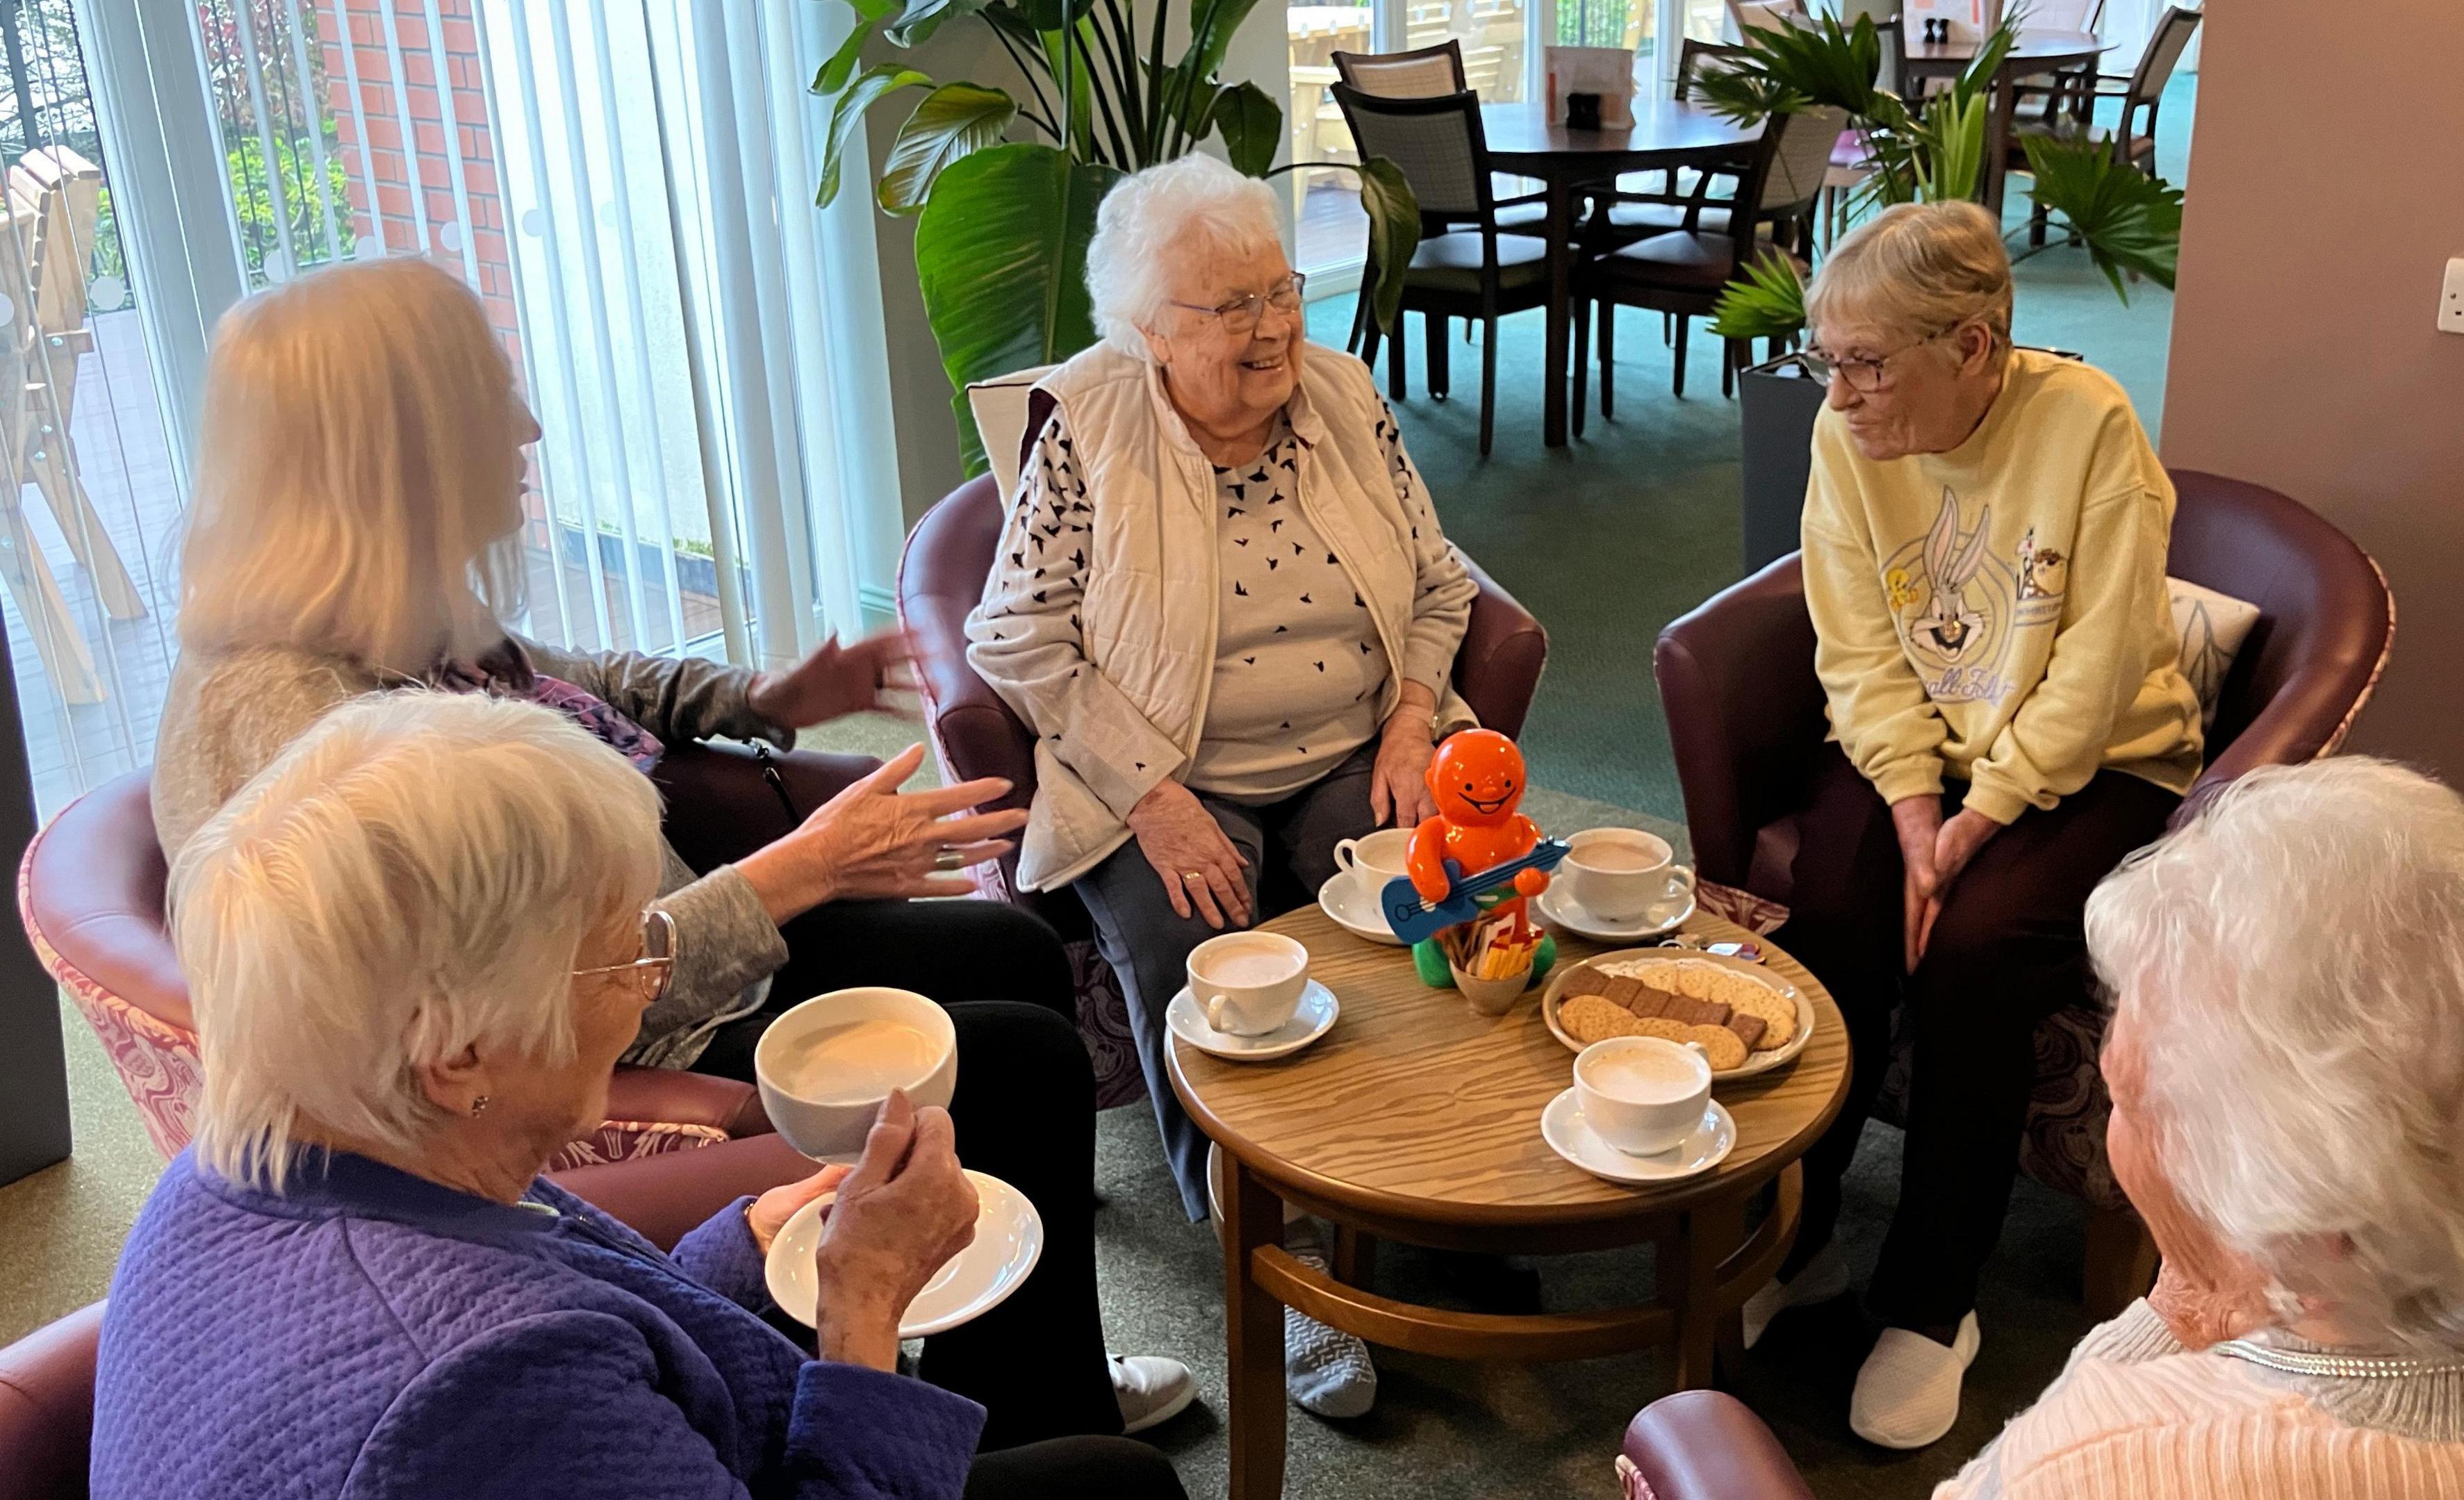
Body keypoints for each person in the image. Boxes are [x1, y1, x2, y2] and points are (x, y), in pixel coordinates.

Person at [145, 258, 1190, 1437]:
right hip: (619, 1012)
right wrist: (807, 864)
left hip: (662, 932)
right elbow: (530, 1007)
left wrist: (758, 695)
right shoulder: (297, 730)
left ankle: (1021, 1326)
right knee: (1015, 1057)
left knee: (1008, 950)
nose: (529, 428)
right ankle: (1035, 1415)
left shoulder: (370, 599)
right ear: (407, 450)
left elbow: (558, 674)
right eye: (497, 400)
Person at [92, 693, 1192, 1499]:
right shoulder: (478, 1393)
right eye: (620, 955)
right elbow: (532, 1361)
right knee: (1118, 1485)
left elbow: (572, 1293)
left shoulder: (250, 1165)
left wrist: (761, 1231)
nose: (645, 987)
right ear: (458, 1051)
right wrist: (860, 1314)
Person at [965, 156, 1480, 1418]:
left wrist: (1414, 719)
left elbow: (1441, 582)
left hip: (1352, 743)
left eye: (1280, 291)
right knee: (1198, 949)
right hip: (1162, 775)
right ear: (1149, 331)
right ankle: (1279, 1257)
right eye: (1229, 307)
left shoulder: (1346, 397)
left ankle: (1433, 1173)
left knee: (1434, 889)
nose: (1273, 329)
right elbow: (1015, 636)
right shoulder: (1085, 425)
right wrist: (1150, 793)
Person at [1755, 199, 2204, 1447]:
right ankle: (1798, 1235)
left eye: (1867, 363)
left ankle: (1933, 1295)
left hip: (2097, 757)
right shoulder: (1846, 433)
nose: (1838, 395)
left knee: (1973, 951)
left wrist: (1983, 816)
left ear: (1976, 345)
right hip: (1922, 751)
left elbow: (2104, 659)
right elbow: (1852, 639)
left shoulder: (2089, 425)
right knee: (1827, 915)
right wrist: (1910, 804)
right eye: (1823, 359)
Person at [1937, 757, 2464, 1498]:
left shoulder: (2118, 1462)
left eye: (2126, 1097)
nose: (2114, 1122)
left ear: (2308, 1220)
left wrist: (2169, 1312)